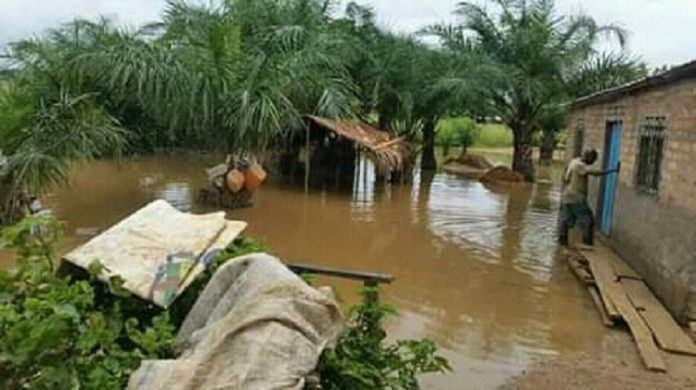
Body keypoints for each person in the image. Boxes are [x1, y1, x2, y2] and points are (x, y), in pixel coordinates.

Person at [558, 149, 620, 247]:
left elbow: (566, 178)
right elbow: (595, 172)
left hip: (567, 196)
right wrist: (612, 170)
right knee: (588, 221)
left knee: (567, 219)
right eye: (593, 160)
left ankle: (562, 242)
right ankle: (587, 246)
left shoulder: (574, 161)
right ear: (589, 158)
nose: (593, 163)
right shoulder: (580, 166)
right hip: (577, 198)